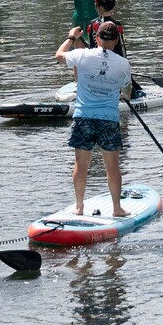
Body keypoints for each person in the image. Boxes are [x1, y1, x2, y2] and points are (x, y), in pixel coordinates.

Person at [55, 20, 131, 218]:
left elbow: (59, 56)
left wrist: (72, 37)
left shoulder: (82, 55)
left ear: (96, 38)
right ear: (115, 41)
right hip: (109, 119)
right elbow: (127, 92)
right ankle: (117, 208)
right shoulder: (123, 64)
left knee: (81, 164)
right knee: (112, 165)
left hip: (84, 117)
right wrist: (122, 93)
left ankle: (79, 207)